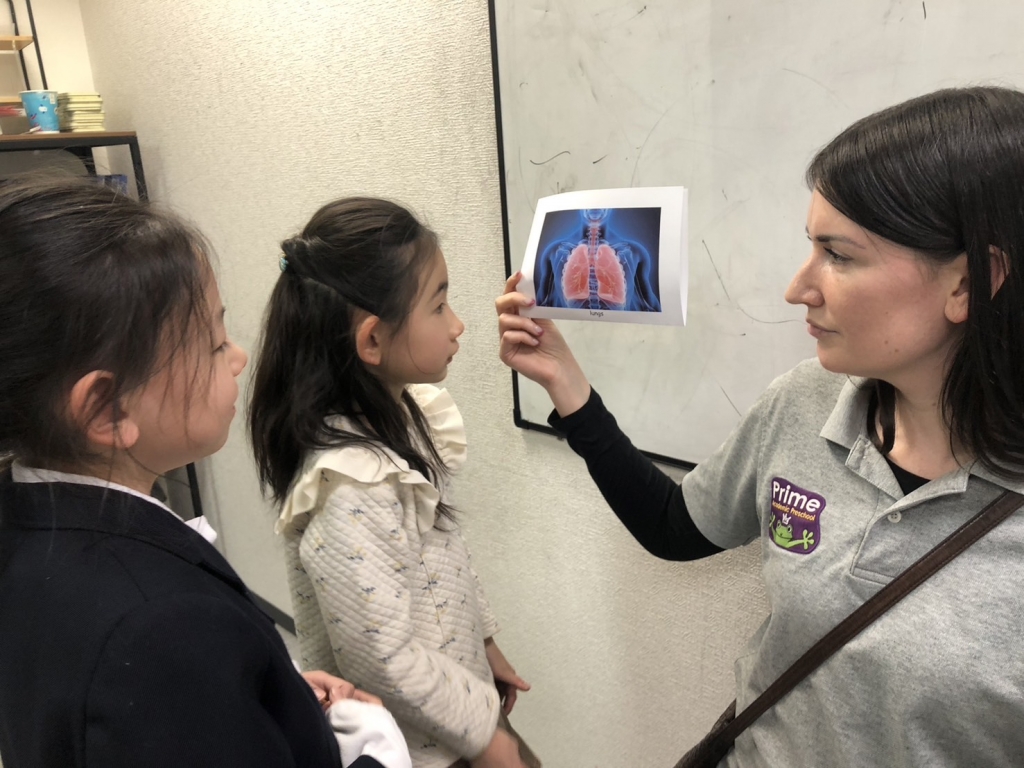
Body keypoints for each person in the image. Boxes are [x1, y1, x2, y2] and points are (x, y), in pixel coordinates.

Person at [496, 86, 1024, 767]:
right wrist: (567, 386)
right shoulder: (806, 402)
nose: (798, 288)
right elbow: (675, 528)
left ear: (969, 282)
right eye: (812, 247)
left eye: (839, 255)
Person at [0, 178, 410, 768]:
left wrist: (263, 696)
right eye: (215, 343)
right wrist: (374, 741)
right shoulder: (162, 630)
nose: (238, 357)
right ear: (107, 409)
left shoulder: (26, 521)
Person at [248, 197, 539, 768]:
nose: (457, 325)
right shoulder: (350, 488)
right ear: (372, 341)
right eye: (439, 306)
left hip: (458, 703)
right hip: (421, 749)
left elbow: (444, 549)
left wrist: (483, 644)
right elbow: (383, 660)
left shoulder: (397, 421)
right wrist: (488, 736)